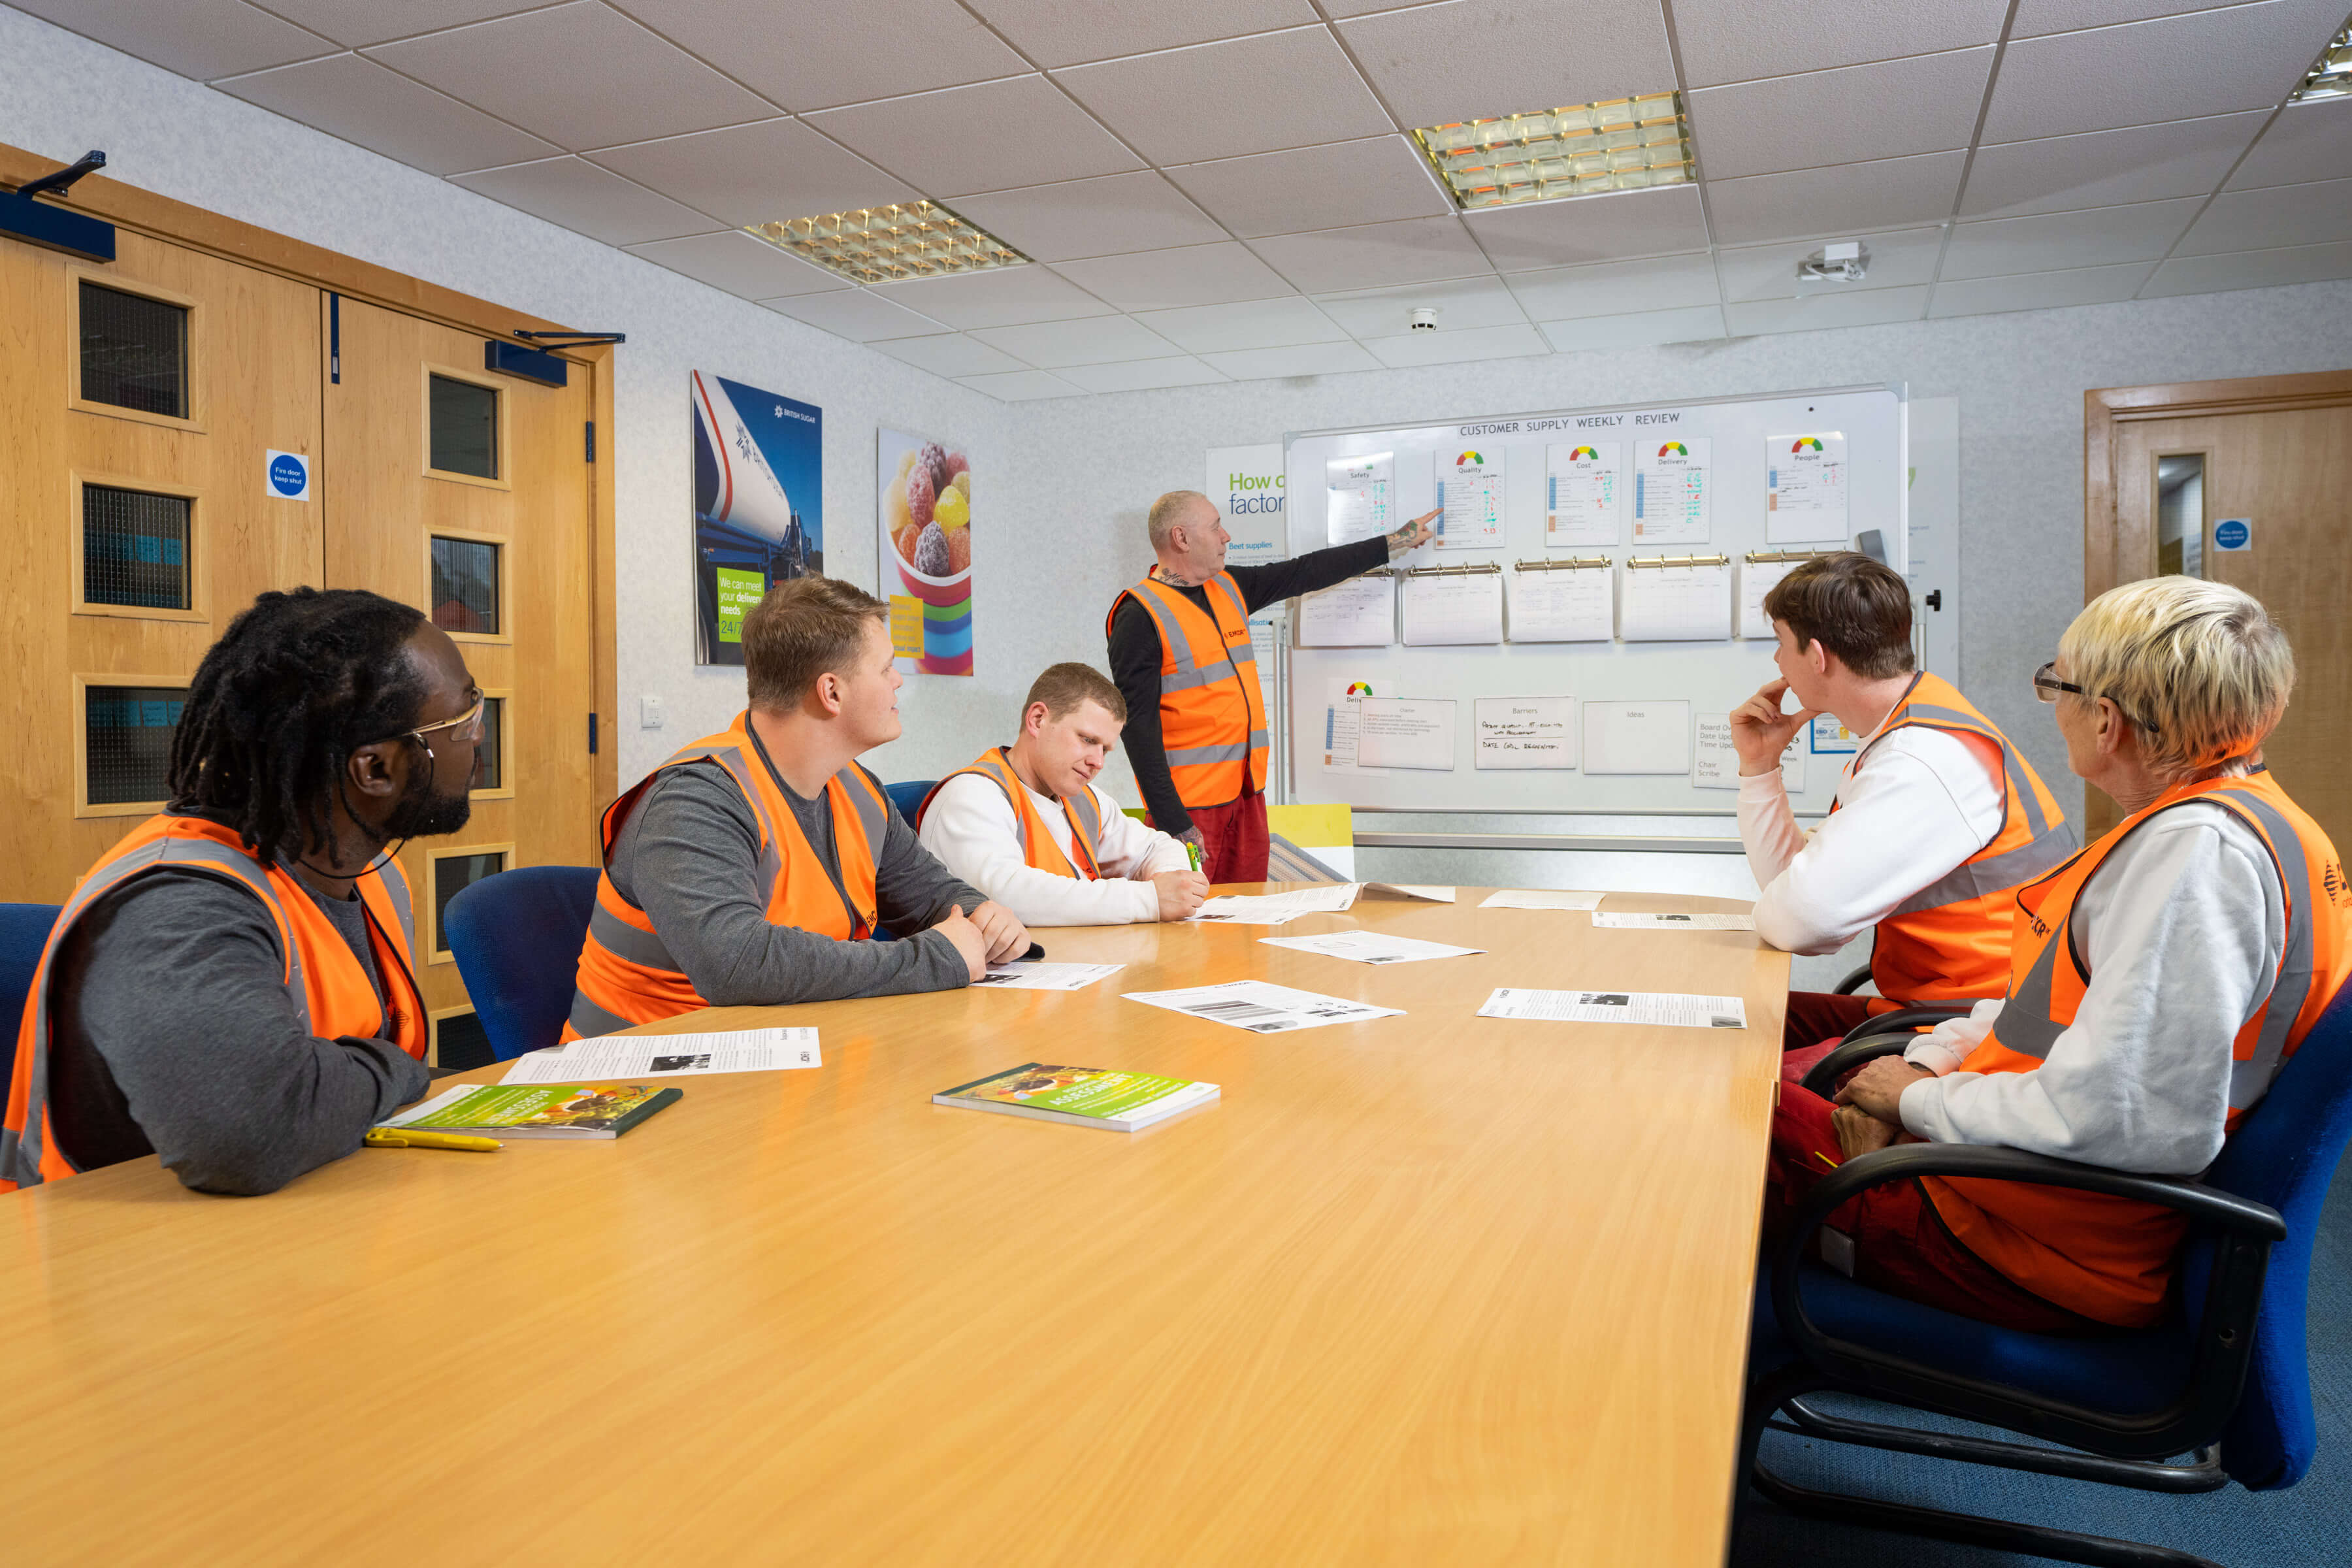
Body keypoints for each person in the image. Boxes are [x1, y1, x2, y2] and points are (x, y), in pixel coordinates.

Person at [1767, 578, 2349, 1332]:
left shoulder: (2195, 861)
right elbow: (2041, 1017)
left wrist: (1913, 1104)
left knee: (1718, 1109)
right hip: (2009, 1174)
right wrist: (1922, 1075)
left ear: (2105, 720)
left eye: (2055, 682)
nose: (2052, 705)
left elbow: (2126, 1119)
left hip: (2028, 1242)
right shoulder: (2235, 820)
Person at [2, 589, 475, 1196]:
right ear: (375, 770)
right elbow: (247, 1134)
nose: (478, 738)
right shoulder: (177, 906)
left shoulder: (372, 871)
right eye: (464, 718)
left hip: (315, 1219)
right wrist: (398, 1072)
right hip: (113, 1264)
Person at [567, 576, 1028, 1038]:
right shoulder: (693, 801)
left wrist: (984, 917)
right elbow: (736, 965)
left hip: (780, 1058)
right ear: (832, 693)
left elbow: (931, 896)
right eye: (886, 668)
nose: (898, 681)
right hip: (644, 1079)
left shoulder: (858, 791)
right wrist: (935, 958)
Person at [1728, 553, 2074, 1049]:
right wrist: (1760, 767)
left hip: (1980, 1035)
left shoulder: (1923, 759)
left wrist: (1782, 907)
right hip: (1939, 1010)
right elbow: (1791, 893)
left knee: (1731, 1084)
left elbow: (1800, 922)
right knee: (1727, 1019)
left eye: (1781, 644)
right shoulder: (1906, 728)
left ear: (1819, 656)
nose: (1778, 661)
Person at [1107, 490, 1436, 883]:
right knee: (1187, 930)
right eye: (1215, 527)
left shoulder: (1230, 586)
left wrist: (1395, 540)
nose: (1226, 536)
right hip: (1191, 811)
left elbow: (1307, 571)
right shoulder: (1139, 616)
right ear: (1181, 538)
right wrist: (1174, 822)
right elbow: (1137, 730)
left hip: (1246, 797)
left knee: (1247, 922)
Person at [916, 662, 1209, 926]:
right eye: (1087, 740)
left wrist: (1169, 881)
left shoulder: (1085, 798)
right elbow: (1006, 895)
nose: (1099, 762)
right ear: (1038, 720)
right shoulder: (971, 795)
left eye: (1105, 749)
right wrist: (1149, 899)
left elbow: (1156, 847)